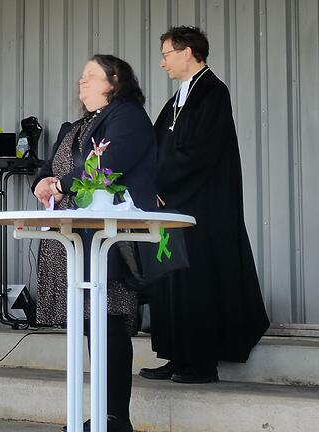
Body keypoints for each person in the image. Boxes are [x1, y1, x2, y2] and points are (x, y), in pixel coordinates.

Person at [32, 55, 156, 432]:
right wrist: (42, 181)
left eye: (90, 76)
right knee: (89, 324)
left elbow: (107, 165)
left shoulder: (127, 116)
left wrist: (59, 184)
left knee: (110, 321)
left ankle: (115, 417)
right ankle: (97, 414)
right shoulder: (76, 125)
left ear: (114, 81)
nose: (81, 82)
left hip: (105, 240)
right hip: (73, 238)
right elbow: (52, 165)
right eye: (81, 77)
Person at [139, 26, 270, 384]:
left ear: (187, 52)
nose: (163, 62)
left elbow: (199, 152)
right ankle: (175, 355)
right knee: (170, 278)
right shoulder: (176, 100)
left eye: (167, 54)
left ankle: (200, 362)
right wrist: (149, 183)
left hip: (201, 208)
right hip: (172, 206)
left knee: (195, 281)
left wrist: (162, 182)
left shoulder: (212, 93)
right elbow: (155, 147)